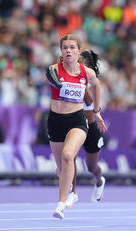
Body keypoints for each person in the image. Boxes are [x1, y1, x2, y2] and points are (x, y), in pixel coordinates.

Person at [45, 34, 107, 219]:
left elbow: (96, 86)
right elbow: (51, 77)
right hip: (56, 121)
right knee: (61, 168)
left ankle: (61, 204)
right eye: (65, 48)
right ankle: (72, 190)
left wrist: (97, 110)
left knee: (71, 157)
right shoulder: (53, 70)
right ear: (61, 51)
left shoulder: (87, 74)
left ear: (78, 51)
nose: (68, 51)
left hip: (80, 122)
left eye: (72, 48)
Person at [64, 50, 106, 208]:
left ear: (87, 65)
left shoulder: (90, 80)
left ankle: (99, 181)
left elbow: (89, 100)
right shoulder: (70, 76)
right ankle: (72, 193)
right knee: (70, 158)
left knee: (91, 167)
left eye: (79, 61)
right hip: (75, 125)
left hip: (91, 127)